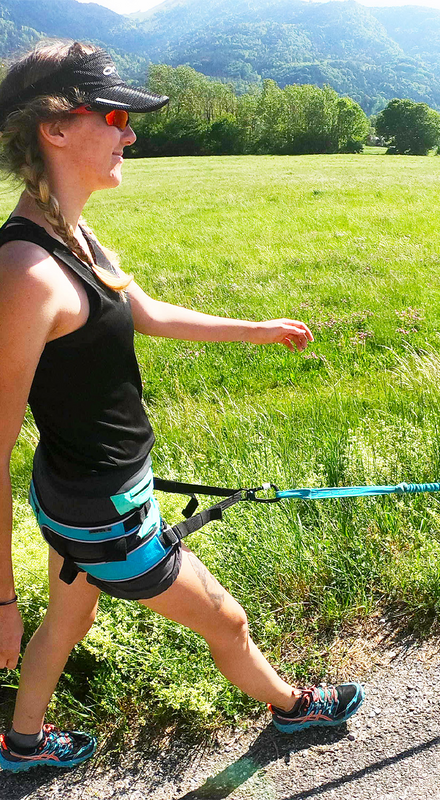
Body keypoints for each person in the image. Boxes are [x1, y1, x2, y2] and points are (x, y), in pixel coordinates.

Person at [0, 40, 364, 772]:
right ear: (56, 127)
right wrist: (0, 601)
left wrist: (255, 330)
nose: (130, 132)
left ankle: (20, 744)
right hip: (103, 515)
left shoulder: (70, 234)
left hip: (78, 497)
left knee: (67, 625)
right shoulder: (26, 271)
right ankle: (294, 709)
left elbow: (147, 312)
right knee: (227, 620)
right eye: (114, 115)